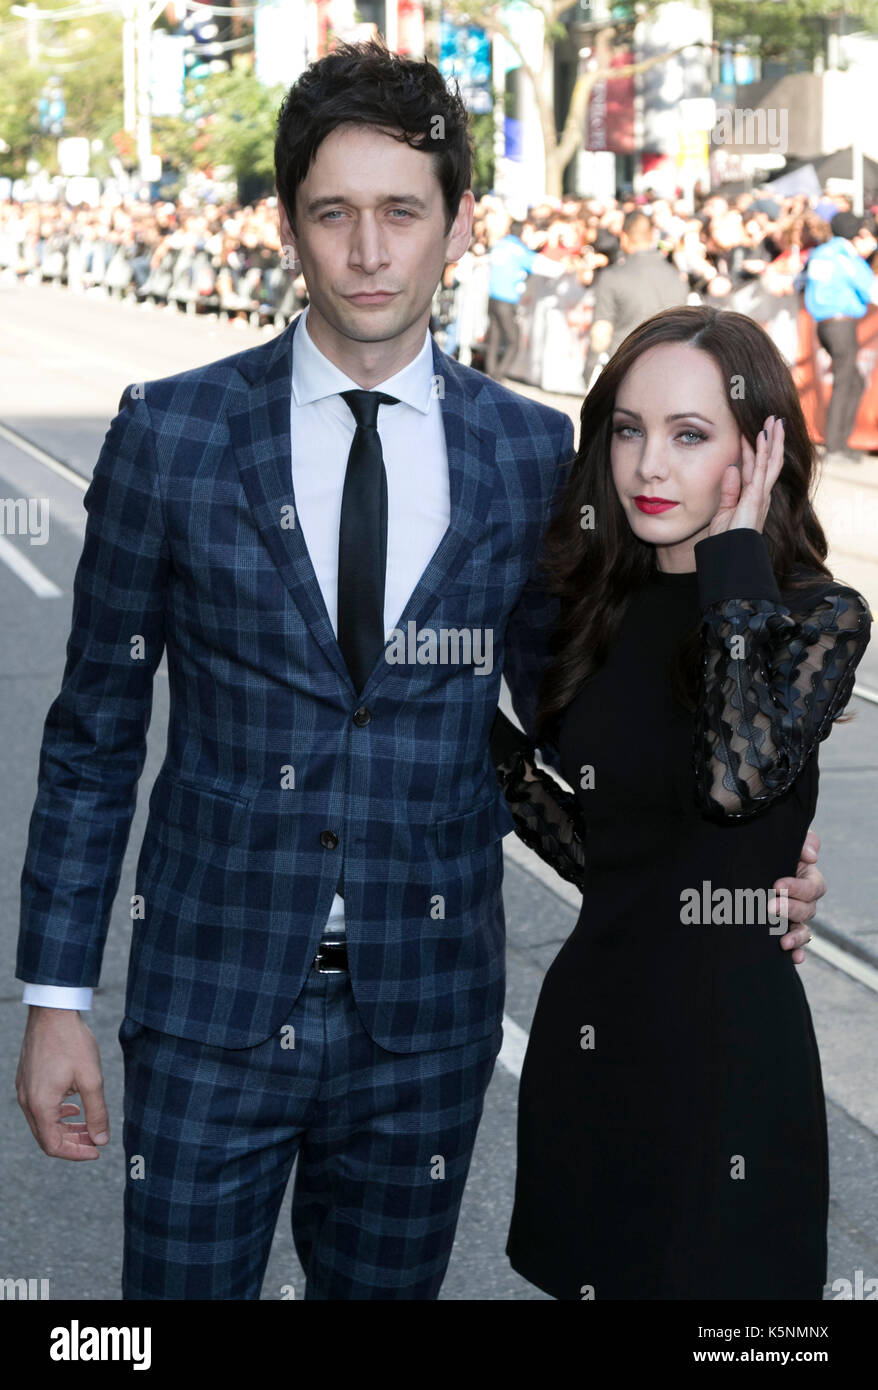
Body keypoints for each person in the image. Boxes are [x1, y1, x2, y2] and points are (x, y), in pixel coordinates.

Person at [14, 41, 824, 1303]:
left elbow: (575, 719)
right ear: (289, 227)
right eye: (333, 214)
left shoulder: (524, 447)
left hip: (427, 1026)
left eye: (402, 212)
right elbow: (92, 736)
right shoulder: (170, 433)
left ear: (456, 226)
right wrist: (56, 994)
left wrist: (732, 869)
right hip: (205, 1014)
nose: (368, 250)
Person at [490, 305, 871, 1300]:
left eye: (688, 435)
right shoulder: (591, 609)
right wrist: (474, 742)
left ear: (758, 451)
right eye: (627, 429)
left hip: (732, 1064)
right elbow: (601, 849)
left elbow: (731, 784)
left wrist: (733, 560)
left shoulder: (813, 616)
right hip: (592, 1031)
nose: (646, 466)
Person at [804, 210, 878, 464]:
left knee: (853, 382)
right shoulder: (846, 257)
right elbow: (872, 289)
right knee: (845, 384)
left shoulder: (821, 253)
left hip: (823, 324)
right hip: (841, 324)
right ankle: (835, 447)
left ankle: (841, 443)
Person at [586, 210, 687, 386]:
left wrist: (589, 370)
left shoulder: (612, 277)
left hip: (625, 370)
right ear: (653, 237)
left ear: (624, 238)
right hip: (670, 371)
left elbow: (601, 332)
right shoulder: (676, 275)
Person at [484, 214, 568, 380]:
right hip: (506, 301)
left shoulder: (500, 244)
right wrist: (565, 266)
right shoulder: (518, 250)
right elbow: (541, 266)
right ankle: (497, 376)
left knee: (494, 339)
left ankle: (489, 372)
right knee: (514, 342)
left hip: (492, 298)